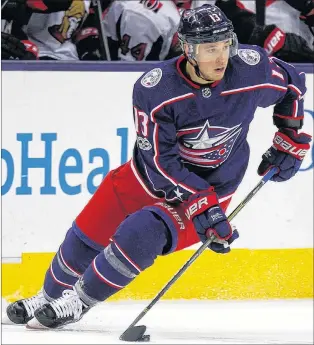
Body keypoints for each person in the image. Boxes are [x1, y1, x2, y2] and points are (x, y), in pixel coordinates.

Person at [5, 4, 311, 329]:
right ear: (189, 49)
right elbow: (160, 163)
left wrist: (289, 135)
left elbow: (293, 85)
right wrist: (200, 199)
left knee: (143, 232)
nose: (221, 59)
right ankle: (48, 295)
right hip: (148, 178)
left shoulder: (251, 70)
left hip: (217, 185)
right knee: (86, 236)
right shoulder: (156, 89)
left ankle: (78, 302)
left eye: (225, 46)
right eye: (210, 49)